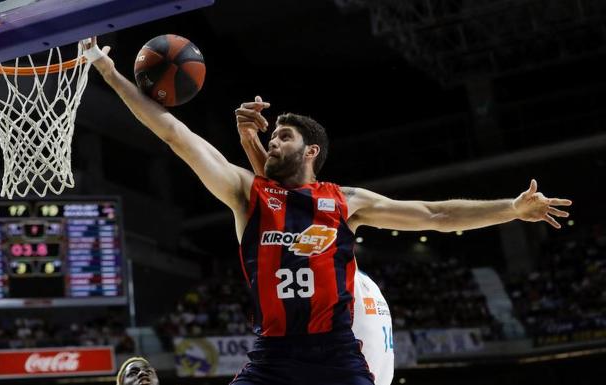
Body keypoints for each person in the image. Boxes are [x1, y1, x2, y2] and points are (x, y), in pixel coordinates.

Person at [85, 41, 572, 385]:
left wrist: (510, 208)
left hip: (336, 353)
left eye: (283, 137)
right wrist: (109, 73)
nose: (271, 140)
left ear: (310, 150)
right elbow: (174, 134)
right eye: (271, 137)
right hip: (274, 354)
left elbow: (435, 214)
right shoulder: (247, 193)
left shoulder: (345, 202)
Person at [236, 101, 395, 385]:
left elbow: (287, 198)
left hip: (339, 355)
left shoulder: (326, 239)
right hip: (357, 362)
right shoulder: (361, 280)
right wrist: (250, 143)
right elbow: (287, 196)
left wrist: (251, 143)